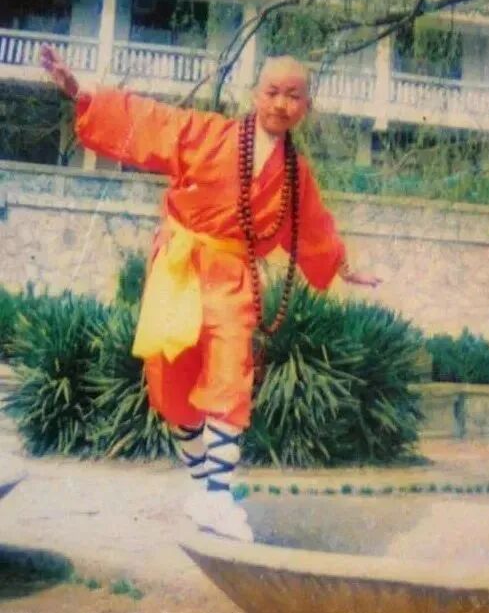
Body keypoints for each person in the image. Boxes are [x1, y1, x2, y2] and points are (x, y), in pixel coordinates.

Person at [40, 46, 382, 541]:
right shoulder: (206, 133)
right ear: (254, 95)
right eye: (272, 92)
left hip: (232, 277)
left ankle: (219, 496)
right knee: (172, 385)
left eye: (293, 96)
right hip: (179, 269)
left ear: (306, 106)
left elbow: (313, 228)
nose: (281, 104)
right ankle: (203, 489)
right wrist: (82, 92)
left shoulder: (295, 173)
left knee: (230, 376)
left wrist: (344, 267)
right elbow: (148, 120)